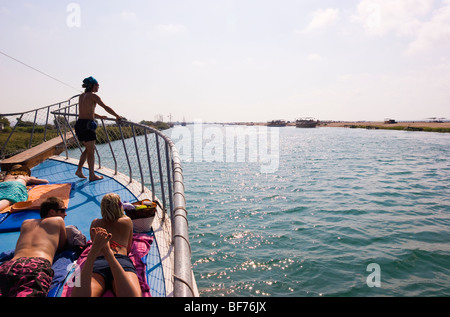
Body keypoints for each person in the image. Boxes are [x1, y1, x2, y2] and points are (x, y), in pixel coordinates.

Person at [71, 193, 141, 297]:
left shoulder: (95, 223)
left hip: (97, 262)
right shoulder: (126, 221)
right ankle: (109, 253)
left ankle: (94, 252)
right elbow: (129, 248)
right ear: (119, 206)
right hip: (120, 260)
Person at [0, 197, 67, 297]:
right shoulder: (58, 220)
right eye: (63, 210)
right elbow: (62, 246)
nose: (65, 214)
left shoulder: (25, 223)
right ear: (52, 212)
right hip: (35, 266)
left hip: (9, 265)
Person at [75, 76, 123, 181]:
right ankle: (92, 175)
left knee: (88, 149)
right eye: (97, 85)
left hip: (80, 124)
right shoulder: (93, 96)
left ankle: (79, 170)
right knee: (91, 151)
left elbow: (86, 111)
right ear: (92, 86)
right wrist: (117, 116)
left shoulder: (81, 96)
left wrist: (99, 117)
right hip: (87, 125)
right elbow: (106, 107)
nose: (98, 87)